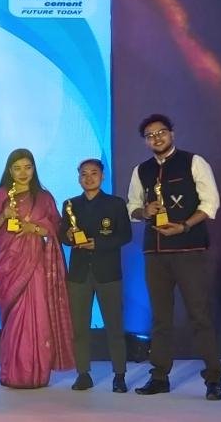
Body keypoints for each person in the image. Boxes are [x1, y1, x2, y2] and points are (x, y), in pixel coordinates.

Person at [126, 113, 221, 401]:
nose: (156, 138)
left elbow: (211, 203)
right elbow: (132, 208)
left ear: (172, 133)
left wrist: (184, 226)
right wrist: (144, 211)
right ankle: (159, 376)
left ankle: (213, 378)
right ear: (145, 142)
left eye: (161, 132)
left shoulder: (194, 162)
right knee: (160, 318)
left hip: (188, 250)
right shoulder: (141, 170)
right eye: (150, 135)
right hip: (155, 253)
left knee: (199, 315)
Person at [0, 148, 74, 388]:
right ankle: (13, 373)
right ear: (9, 170)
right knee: (14, 318)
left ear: (34, 168)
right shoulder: (1, 194)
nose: (23, 173)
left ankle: (38, 374)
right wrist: (4, 214)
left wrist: (32, 228)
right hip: (8, 265)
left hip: (35, 266)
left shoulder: (44, 197)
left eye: (27, 167)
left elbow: (55, 229)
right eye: (17, 168)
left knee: (38, 317)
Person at [57, 159, 131, 393]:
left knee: (114, 326)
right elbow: (62, 235)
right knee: (79, 328)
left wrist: (97, 243)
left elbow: (125, 235)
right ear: (78, 177)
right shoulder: (70, 204)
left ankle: (119, 375)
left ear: (102, 176)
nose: (88, 178)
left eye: (94, 173)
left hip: (108, 273)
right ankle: (83, 373)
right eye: (84, 174)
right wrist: (69, 236)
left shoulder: (116, 204)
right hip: (79, 274)